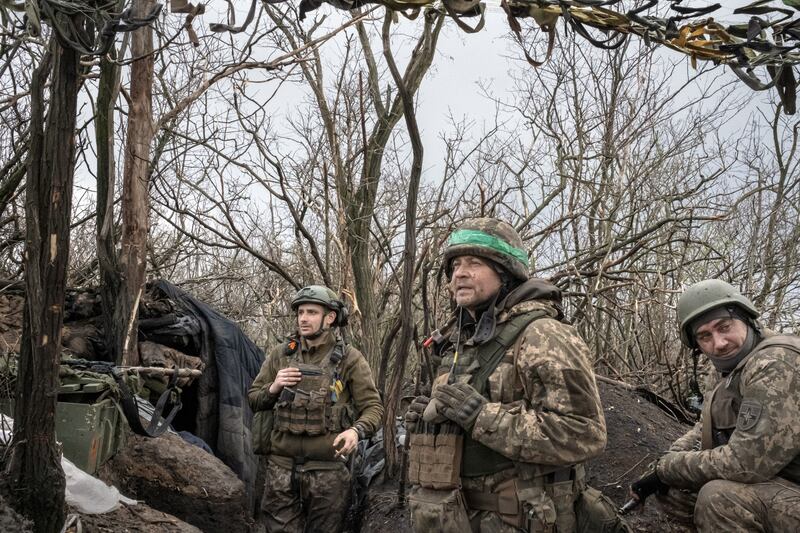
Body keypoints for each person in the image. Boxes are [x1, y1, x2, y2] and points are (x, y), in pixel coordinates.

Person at [405, 218, 609, 532]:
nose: (460, 272)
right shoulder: (459, 340)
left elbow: (585, 432)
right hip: (457, 516)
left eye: (474, 262)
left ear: (506, 271)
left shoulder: (543, 334)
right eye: (455, 264)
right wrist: (430, 423)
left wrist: (480, 417)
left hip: (522, 518)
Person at [630, 279, 800, 531]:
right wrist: (663, 463)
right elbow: (704, 428)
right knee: (674, 491)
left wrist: (668, 468)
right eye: (705, 336)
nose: (718, 343)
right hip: (779, 483)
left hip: (781, 481)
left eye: (724, 327)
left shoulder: (776, 363)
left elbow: (746, 464)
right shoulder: (726, 367)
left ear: (745, 319)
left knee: (719, 498)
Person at [248, 285, 384, 533]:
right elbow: (254, 399)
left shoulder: (350, 359)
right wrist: (274, 387)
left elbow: (373, 408)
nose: (303, 318)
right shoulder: (281, 355)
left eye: (311, 312)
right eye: (300, 312)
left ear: (330, 318)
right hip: (281, 469)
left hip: (328, 472)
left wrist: (356, 431)